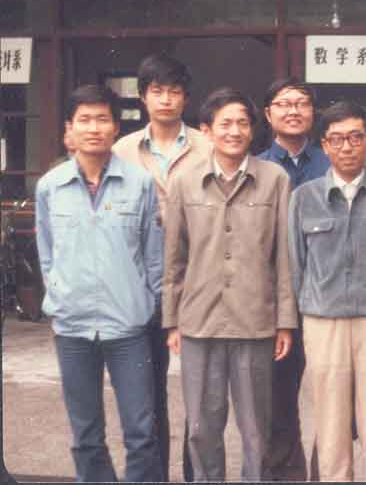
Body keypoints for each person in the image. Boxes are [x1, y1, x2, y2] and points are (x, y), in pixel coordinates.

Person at [162, 87, 296, 481]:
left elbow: (284, 257)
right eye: (225, 124)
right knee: (201, 428)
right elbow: (174, 258)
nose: (234, 131)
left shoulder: (275, 179)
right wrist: (172, 321)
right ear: (206, 130)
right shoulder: (184, 181)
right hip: (198, 323)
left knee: (256, 429)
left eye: (242, 123)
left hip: (255, 323)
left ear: (253, 130)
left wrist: (285, 322)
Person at [35, 84, 163, 482]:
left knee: (141, 432)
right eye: (85, 120)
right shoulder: (50, 186)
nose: (94, 128)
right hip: (72, 327)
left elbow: (153, 256)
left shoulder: (140, 183)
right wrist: (59, 297)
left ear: (115, 127)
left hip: (128, 327)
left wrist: (148, 305)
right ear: (69, 129)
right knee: (86, 435)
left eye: (102, 119)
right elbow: (47, 254)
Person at [288, 101, 366, 481]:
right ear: (324, 146)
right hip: (324, 322)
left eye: (356, 137)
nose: (347, 147)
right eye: (337, 139)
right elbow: (297, 266)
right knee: (331, 428)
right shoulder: (304, 198)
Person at [113, 52, 211, 482]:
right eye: (157, 91)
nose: (166, 99)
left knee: (201, 398)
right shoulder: (122, 151)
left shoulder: (208, 147)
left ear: (186, 98)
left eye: (174, 91)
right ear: (143, 96)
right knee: (147, 397)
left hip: (200, 286)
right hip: (143, 287)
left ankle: (196, 476)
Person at [257, 77, 330, 481]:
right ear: (268, 115)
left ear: (313, 113)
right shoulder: (257, 167)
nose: (293, 110)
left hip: (326, 299)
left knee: (332, 402)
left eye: (301, 103)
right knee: (278, 402)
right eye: (284, 104)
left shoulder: (331, 162)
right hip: (275, 303)